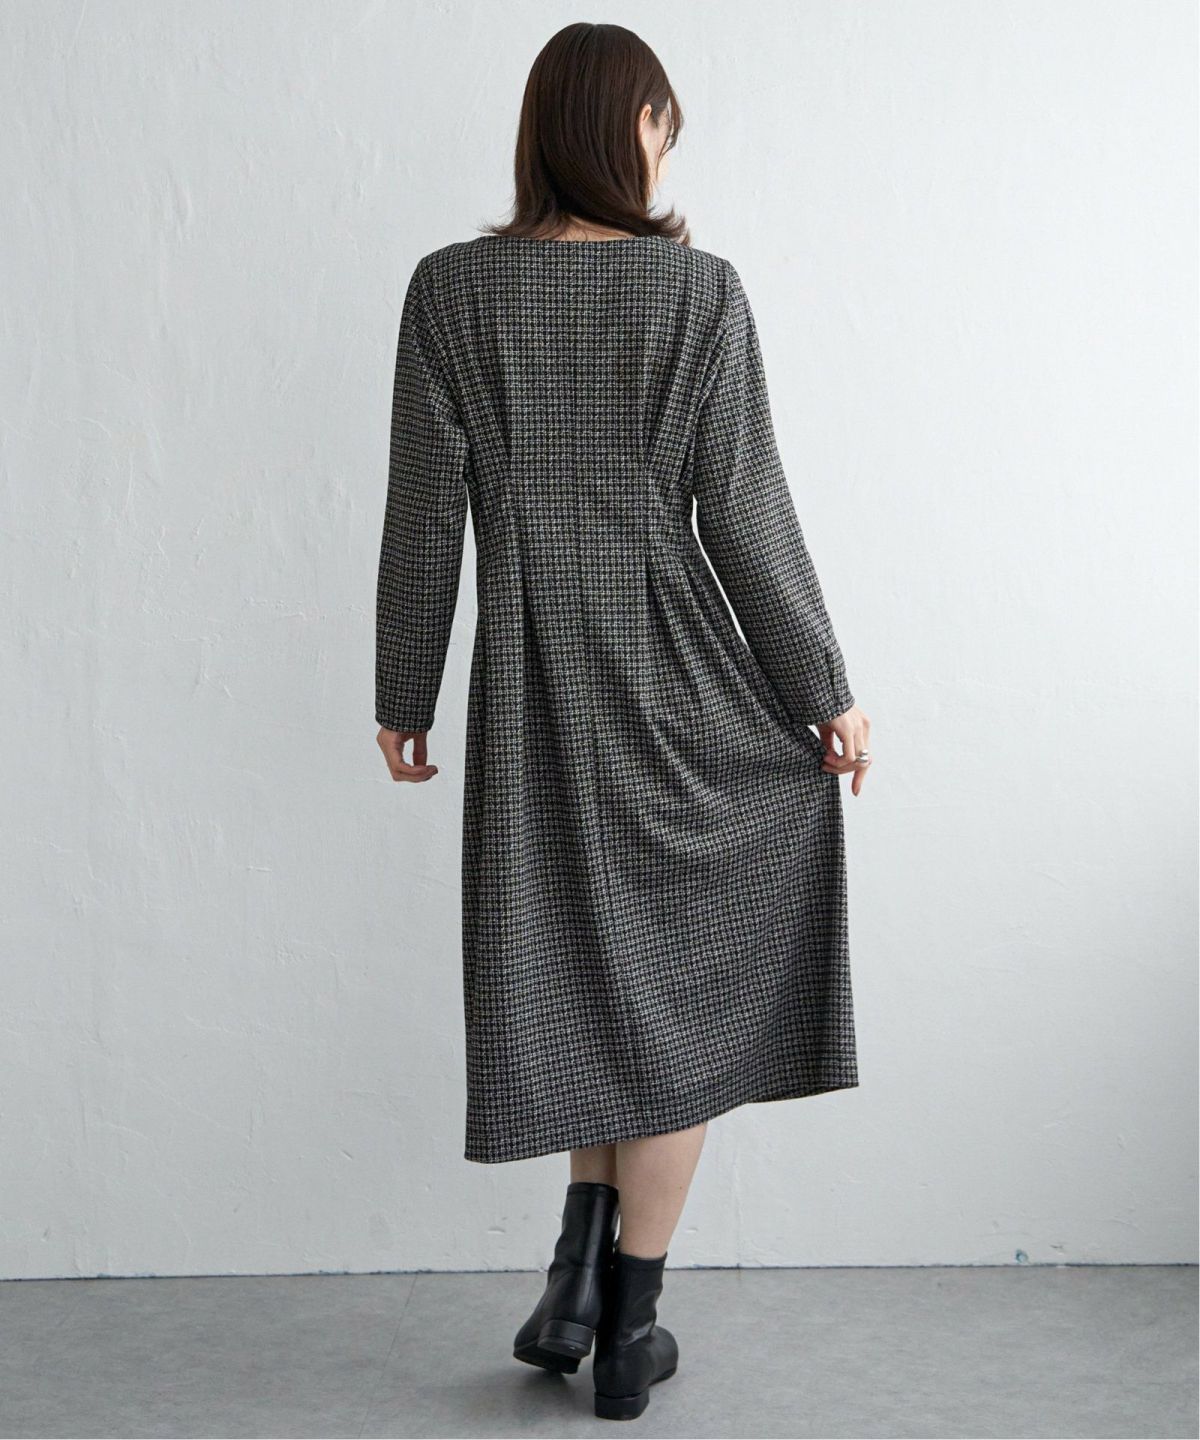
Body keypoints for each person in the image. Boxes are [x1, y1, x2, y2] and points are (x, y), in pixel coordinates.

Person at [374, 21, 871, 1423]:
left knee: (594, 981)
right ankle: (625, 1330)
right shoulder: (696, 293)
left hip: (534, 696)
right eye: (663, 125)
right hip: (677, 683)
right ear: (629, 128)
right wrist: (824, 691)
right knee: (680, 1005)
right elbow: (747, 514)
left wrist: (404, 691)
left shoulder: (451, 291)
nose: (667, 150)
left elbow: (424, 515)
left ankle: (572, 1288)